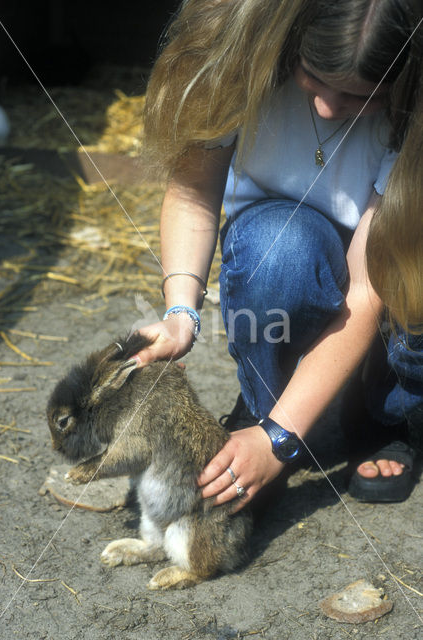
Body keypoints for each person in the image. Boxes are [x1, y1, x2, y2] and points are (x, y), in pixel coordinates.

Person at [133, 0, 422, 510]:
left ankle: (381, 412)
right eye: (315, 77)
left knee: (413, 294)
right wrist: (180, 314)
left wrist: (280, 439)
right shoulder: (237, 54)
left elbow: (367, 287)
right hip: (287, 235)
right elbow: (194, 191)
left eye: (360, 98)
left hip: (383, 259)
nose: (329, 108)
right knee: (280, 251)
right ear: (291, 42)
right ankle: (266, 406)